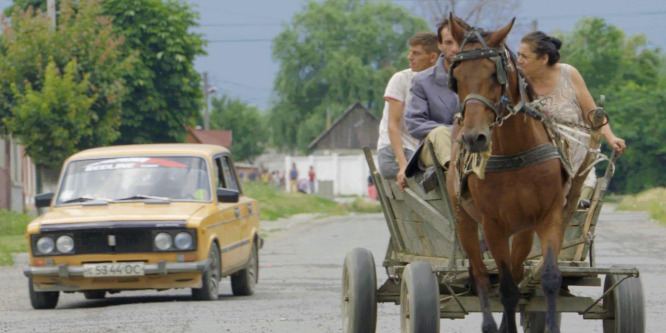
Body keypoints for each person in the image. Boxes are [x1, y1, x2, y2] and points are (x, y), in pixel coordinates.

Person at [518, 32, 626, 206]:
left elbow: (592, 112)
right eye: (518, 55)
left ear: (543, 59)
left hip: (575, 150)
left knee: (580, 190)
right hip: (536, 153)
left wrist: (611, 137)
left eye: (524, 56)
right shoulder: (518, 82)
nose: (519, 60)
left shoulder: (569, 73)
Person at [404, 16, 471, 188]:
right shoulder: (422, 81)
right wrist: (456, 130)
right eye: (448, 43)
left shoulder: (482, 78)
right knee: (440, 133)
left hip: (474, 144)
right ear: (440, 45)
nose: (455, 48)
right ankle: (457, 181)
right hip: (433, 148)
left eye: (460, 41)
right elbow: (414, 124)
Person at [377, 32, 440, 190]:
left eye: (416, 53)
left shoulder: (442, 81)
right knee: (428, 172)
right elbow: (392, 125)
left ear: (433, 57)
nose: (409, 57)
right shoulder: (401, 79)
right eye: (410, 52)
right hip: (395, 150)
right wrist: (403, 166)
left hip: (422, 149)